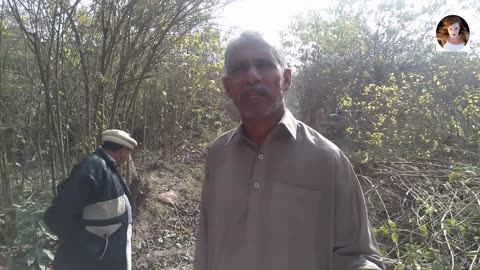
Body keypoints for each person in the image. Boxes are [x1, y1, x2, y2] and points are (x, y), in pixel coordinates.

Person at [193, 31, 385, 270]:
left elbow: (358, 256)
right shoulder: (218, 155)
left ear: (286, 78)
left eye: (263, 64)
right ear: (227, 87)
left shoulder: (327, 159)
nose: (252, 76)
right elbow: (206, 245)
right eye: (240, 68)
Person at [44, 129, 137, 270]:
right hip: (91, 260)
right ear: (123, 151)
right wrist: (83, 245)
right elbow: (58, 214)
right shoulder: (92, 168)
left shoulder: (108, 167)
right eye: (128, 152)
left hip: (105, 257)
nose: (127, 157)